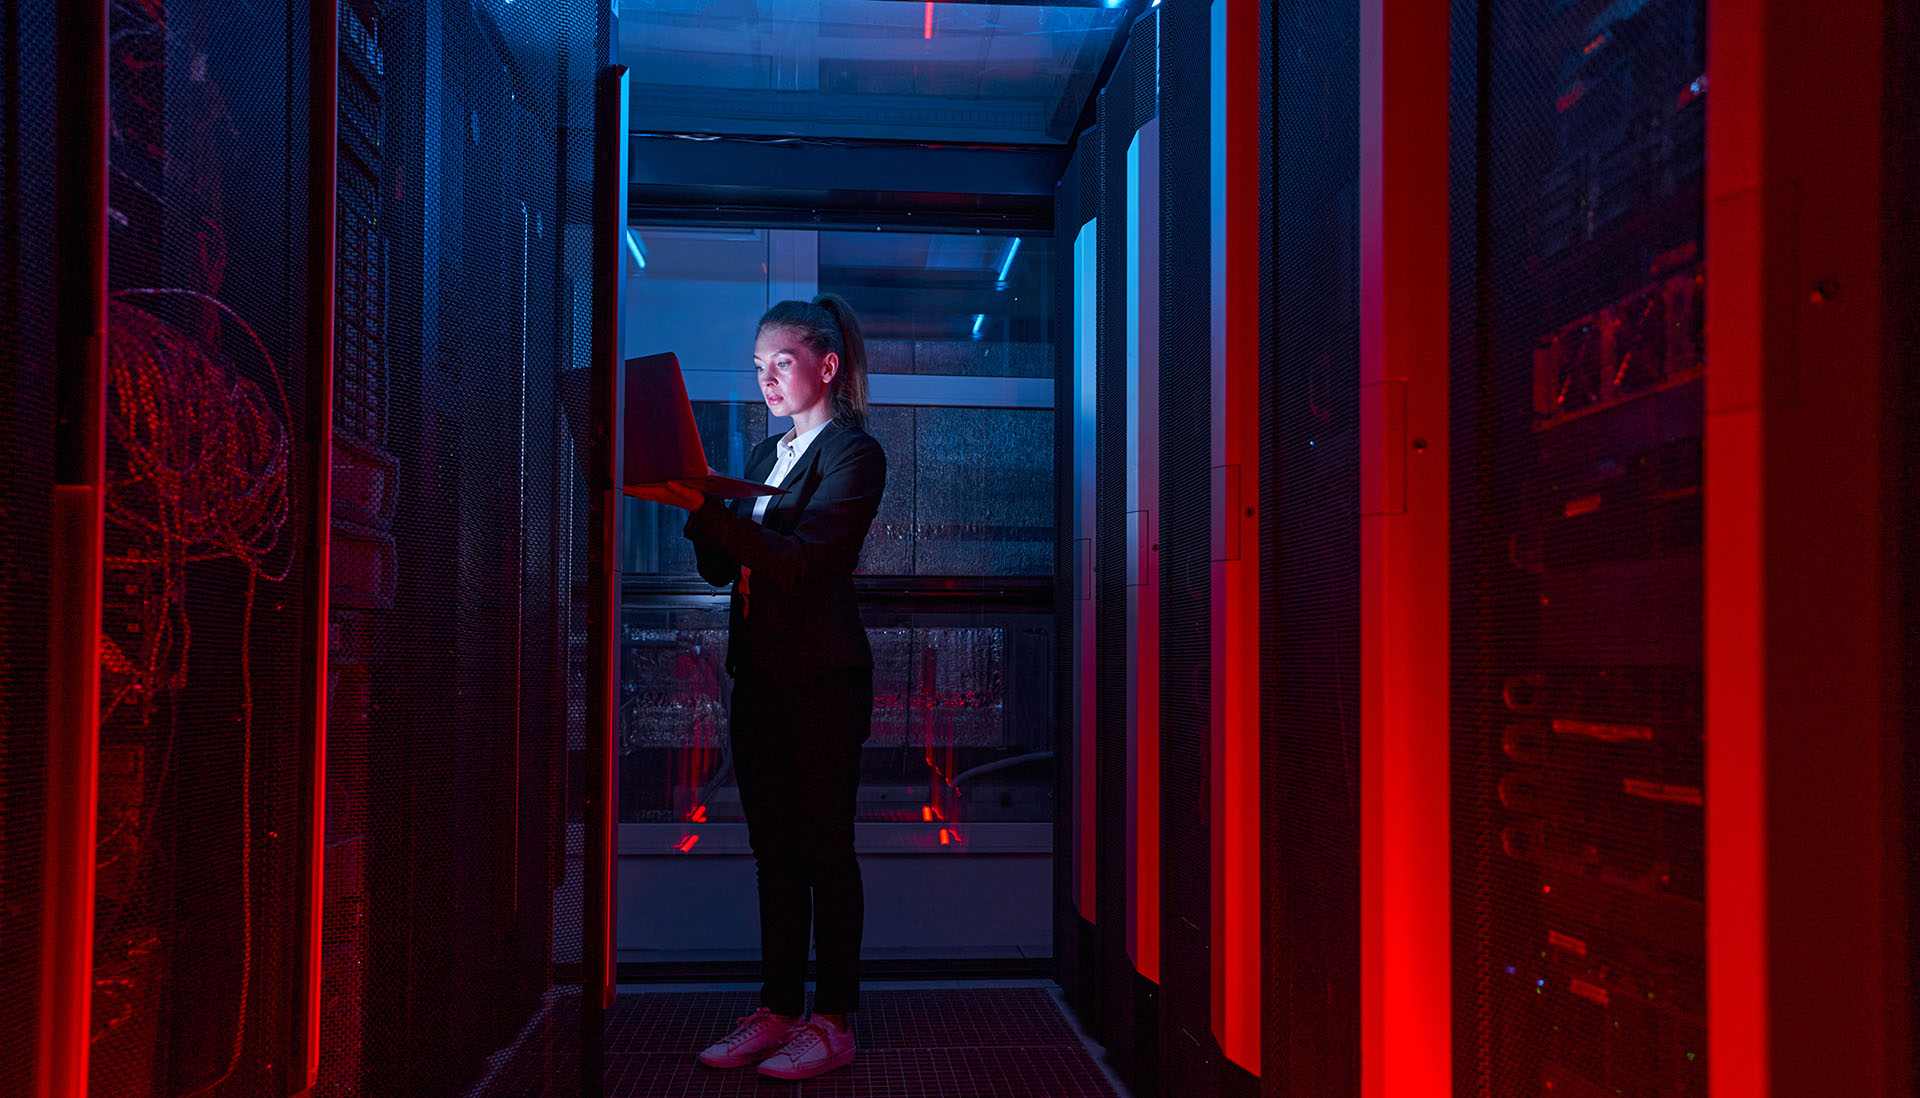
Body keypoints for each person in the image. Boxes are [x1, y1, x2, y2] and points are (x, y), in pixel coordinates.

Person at [633, 294, 885, 1081]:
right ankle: (778, 1011)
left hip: (823, 681)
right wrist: (697, 501)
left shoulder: (853, 454)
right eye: (758, 367)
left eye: (781, 363)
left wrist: (711, 508)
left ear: (826, 366)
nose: (767, 379)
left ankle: (833, 1021)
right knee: (774, 853)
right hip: (763, 676)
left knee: (824, 850)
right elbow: (720, 567)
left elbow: (802, 560)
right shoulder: (764, 452)